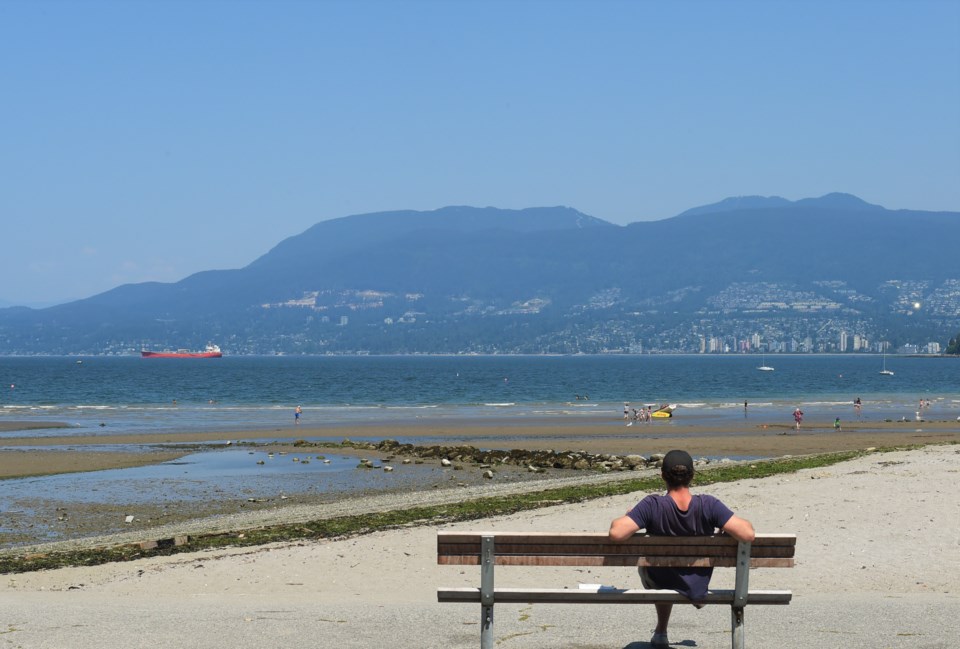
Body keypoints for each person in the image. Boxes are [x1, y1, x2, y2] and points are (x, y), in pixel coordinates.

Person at [609, 450, 754, 649]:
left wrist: (628, 515)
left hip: (661, 577)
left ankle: (661, 631)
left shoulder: (652, 505)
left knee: (653, 567)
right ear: (692, 476)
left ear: (662, 476)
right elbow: (747, 533)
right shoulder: (708, 504)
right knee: (665, 568)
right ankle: (682, 602)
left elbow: (617, 533)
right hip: (697, 580)